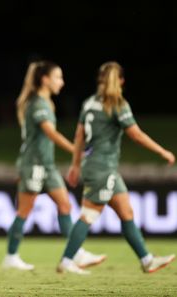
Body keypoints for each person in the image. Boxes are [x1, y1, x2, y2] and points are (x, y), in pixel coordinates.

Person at [57, 61, 175, 275]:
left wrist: (75, 165)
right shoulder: (117, 104)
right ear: (120, 80)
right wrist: (162, 151)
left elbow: (79, 136)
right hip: (103, 168)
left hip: (95, 165)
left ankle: (147, 260)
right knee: (89, 214)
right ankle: (67, 260)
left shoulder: (89, 103)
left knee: (126, 211)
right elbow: (136, 135)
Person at [3, 60, 106, 271]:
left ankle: (74, 255)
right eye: (58, 77)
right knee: (24, 210)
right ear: (45, 79)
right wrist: (76, 150)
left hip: (47, 165)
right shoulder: (38, 104)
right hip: (33, 165)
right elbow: (51, 133)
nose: (62, 82)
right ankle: (11, 257)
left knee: (65, 205)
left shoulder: (46, 103)